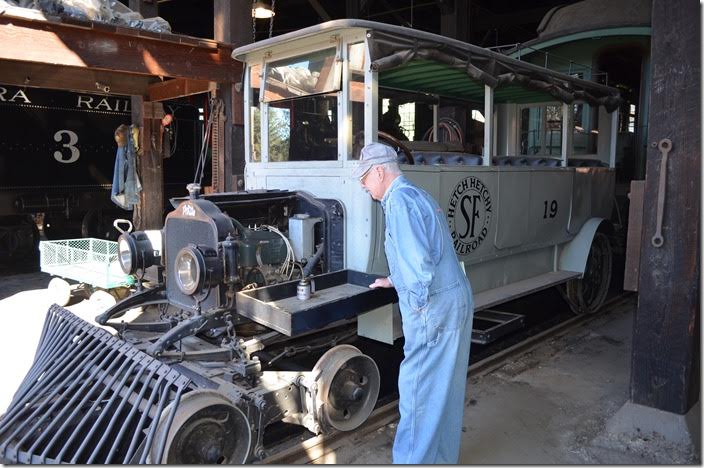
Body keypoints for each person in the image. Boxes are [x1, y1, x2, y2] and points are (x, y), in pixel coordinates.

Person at [353, 142, 474, 464]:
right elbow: (429, 251)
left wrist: (419, 309)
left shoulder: (399, 203)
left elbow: (419, 266)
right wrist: (394, 279)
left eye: (364, 179)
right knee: (444, 391)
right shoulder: (417, 194)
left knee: (419, 393)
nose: (364, 187)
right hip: (454, 298)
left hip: (434, 307)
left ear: (379, 171)